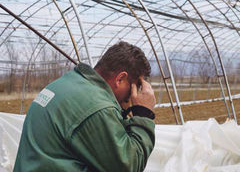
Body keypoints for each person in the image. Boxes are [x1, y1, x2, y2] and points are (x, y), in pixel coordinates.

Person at [14, 41, 156, 172]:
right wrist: (143, 114)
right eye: (135, 86)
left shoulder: (67, 83)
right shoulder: (98, 107)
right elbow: (128, 166)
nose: (133, 95)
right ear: (120, 79)